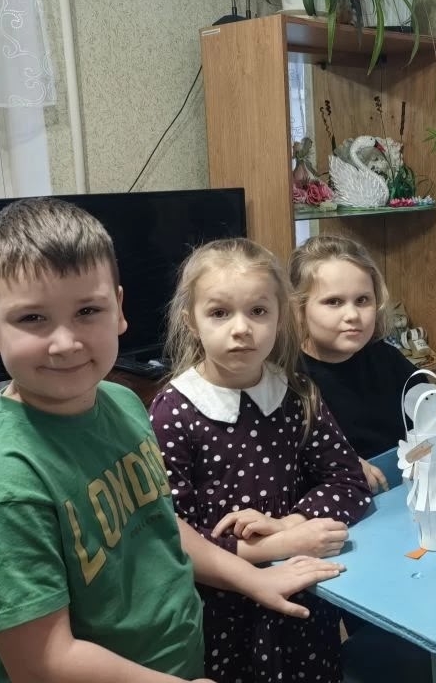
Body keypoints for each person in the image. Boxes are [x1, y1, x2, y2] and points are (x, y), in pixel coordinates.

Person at [0, 198, 344, 683]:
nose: (66, 342)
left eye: (88, 310)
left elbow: (161, 525)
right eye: (32, 319)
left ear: (119, 310)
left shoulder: (122, 403)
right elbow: (41, 661)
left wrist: (253, 578)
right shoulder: (0, 486)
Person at [149, 237, 371, 683]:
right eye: (219, 313)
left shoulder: (295, 394)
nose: (241, 329)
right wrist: (279, 546)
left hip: (302, 599)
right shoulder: (173, 412)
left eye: (258, 311)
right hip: (220, 608)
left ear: (281, 316)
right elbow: (169, 535)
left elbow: (348, 481)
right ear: (191, 320)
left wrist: (290, 523)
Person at [290, 234, 419, 493]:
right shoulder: (287, 381)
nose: (352, 315)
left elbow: (430, 417)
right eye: (333, 302)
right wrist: (337, 464)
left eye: (362, 300)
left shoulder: (387, 359)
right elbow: (280, 464)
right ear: (299, 309)